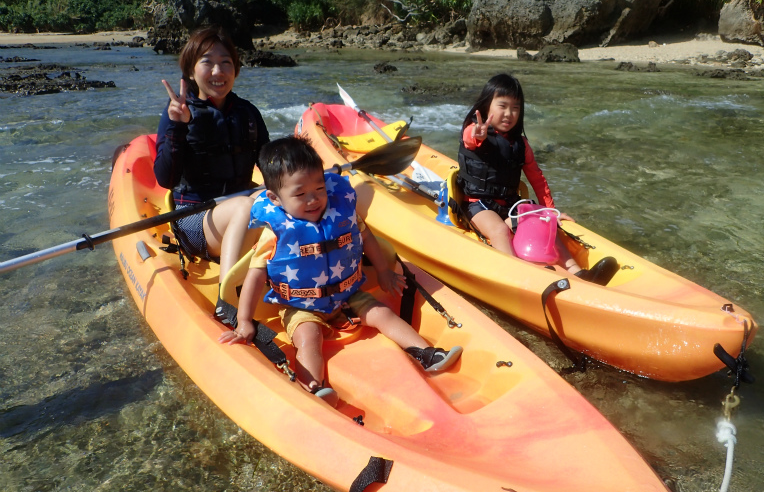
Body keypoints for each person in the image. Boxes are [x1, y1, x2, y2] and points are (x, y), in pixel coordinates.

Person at [218, 136, 462, 406]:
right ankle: (314, 387)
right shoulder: (274, 233)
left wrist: (383, 272)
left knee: (382, 313)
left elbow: (366, 237)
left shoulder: (341, 212)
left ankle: (427, 354)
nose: (313, 200)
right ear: (275, 198)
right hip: (300, 305)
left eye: (319, 188)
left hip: (348, 293)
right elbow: (255, 276)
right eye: (300, 194)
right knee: (308, 337)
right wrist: (244, 321)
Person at [457, 73, 618, 285]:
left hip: (508, 204)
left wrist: (551, 211)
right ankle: (516, 276)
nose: (509, 113)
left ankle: (579, 274)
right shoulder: (476, 132)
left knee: (544, 222)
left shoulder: (521, 144)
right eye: (502, 106)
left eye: (515, 108)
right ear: (487, 106)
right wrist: (477, 133)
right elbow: (470, 138)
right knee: (499, 230)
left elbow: (537, 178)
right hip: (478, 205)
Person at [154, 26, 268, 318]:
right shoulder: (177, 112)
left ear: (236, 70)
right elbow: (165, 179)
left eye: (226, 62)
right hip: (194, 220)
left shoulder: (248, 113)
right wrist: (179, 128)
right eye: (207, 61)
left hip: (240, 207)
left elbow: (270, 166)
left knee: (288, 196)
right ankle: (227, 300)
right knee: (245, 205)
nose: (218, 70)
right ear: (191, 72)